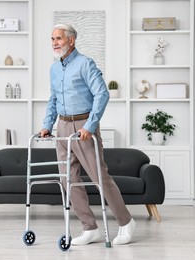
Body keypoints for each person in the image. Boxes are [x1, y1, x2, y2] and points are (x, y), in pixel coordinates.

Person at [39, 24, 136, 246]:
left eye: (59, 38)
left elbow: (102, 94)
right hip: (62, 128)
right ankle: (89, 227)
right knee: (68, 179)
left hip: (83, 126)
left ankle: (126, 221)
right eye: (52, 38)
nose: (54, 43)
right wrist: (47, 125)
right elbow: (53, 99)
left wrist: (90, 126)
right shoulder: (54, 69)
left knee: (99, 177)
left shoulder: (85, 64)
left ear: (71, 40)